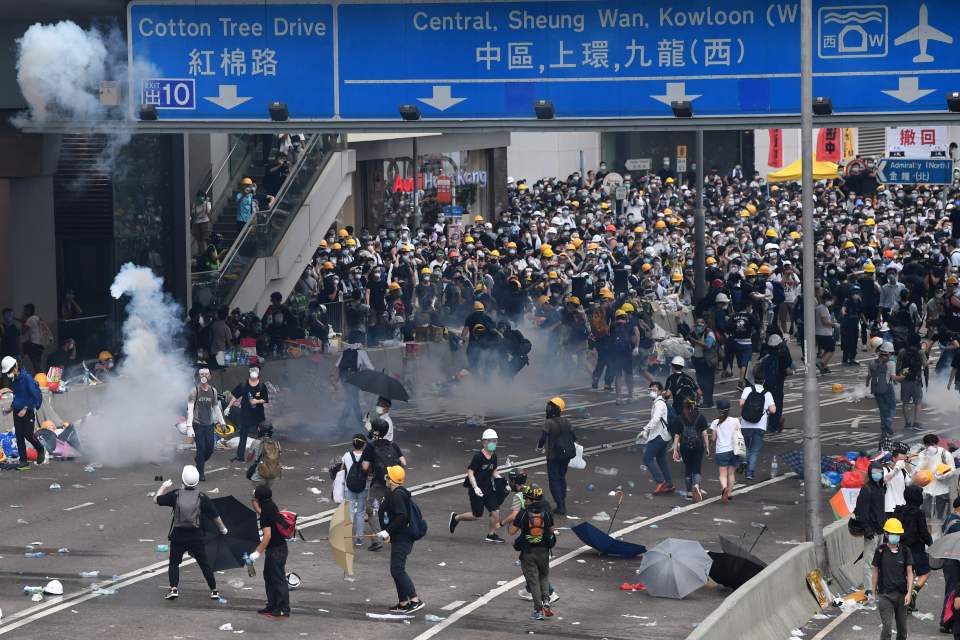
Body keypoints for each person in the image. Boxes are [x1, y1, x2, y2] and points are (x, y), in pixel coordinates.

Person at [154, 465, 226, 602]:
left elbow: (156, 500)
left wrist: (163, 486)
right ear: (197, 481)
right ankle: (214, 590)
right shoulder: (202, 497)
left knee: (174, 563)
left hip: (178, 535)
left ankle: (173, 588)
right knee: (204, 563)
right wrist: (223, 529)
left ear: (183, 479)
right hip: (196, 536)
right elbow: (215, 516)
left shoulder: (176, 494)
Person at [377, 465, 425, 613]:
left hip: (403, 538)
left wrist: (388, 531)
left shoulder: (398, 495)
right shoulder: (395, 492)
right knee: (396, 570)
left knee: (397, 570)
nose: (385, 477)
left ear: (391, 480)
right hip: (398, 537)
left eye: (388, 475)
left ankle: (415, 600)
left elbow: (402, 516)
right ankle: (403, 602)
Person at [509, 484, 556, 620]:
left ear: (528, 499)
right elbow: (552, 531)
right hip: (544, 550)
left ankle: (538, 610)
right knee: (544, 576)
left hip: (528, 552)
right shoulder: (546, 512)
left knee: (533, 581)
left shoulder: (523, 514)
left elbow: (511, 532)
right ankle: (546, 601)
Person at [449, 428, 504, 542]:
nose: (493, 443)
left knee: (495, 511)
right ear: (484, 442)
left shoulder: (494, 456)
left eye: (495, 441)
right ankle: (456, 518)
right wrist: (475, 487)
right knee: (477, 515)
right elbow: (470, 472)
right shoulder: (478, 457)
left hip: (488, 488)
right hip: (476, 489)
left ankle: (491, 534)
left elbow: (494, 471)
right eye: (490, 441)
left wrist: (502, 481)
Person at [361, 418, 405, 551]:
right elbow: (404, 462)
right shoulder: (393, 445)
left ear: (375, 431)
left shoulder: (371, 446)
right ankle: (394, 534)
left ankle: (377, 539)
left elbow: (365, 466)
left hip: (379, 484)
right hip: (394, 484)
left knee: (372, 509)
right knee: (393, 508)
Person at [246, 485, 290, 618]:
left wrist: (256, 554)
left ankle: (283, 608)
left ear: (260, 498)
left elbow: (267, 536)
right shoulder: (270, 505)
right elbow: (263, 512)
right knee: (269, 576)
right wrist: (254, 502)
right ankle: (272, 605)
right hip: (278, 548)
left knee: (277, 578)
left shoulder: (266, 512)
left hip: (276, 550)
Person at [871, 517, 913, 640]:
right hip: (885, 595)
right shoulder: (880, 551)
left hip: (901, 595)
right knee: (887, 629)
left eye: (897, 534)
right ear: (886, 534)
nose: (895, 536)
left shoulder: (905, 550)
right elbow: (875, 571)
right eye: (893, 534)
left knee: (902, 630)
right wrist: (873, 592)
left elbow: (910, 573)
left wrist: (909, 593)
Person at [1, 356, 45, 470]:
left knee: (28, 434)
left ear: (16, 366)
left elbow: (34, 395)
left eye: (10, 370)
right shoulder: (14, 380)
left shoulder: (27, 378)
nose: (9, 374)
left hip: (28, 411)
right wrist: (10, 409)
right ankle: (23, 461)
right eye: (7, 372)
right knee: (19, 436)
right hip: (17, 411)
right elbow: (17, 397)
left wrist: (26, 408)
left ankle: (40, 449)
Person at [894, 486, 932, 612]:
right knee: (925, 572)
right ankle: (914, 593)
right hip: (916, 549)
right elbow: (923, 532)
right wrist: (930, 542)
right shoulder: (919, 513)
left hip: (901, 549)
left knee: (906, 574)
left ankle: (906, 600)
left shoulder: (898, 510)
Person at [536, 397, 576, 515]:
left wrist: (539, 447)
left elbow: (543, 438)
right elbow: (574, 437)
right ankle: (561, 502)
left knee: (554, 480)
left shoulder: (548, 423)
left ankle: (560, 505)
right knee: (561, 478)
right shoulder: (567, 422)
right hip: (566, 456)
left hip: (553, 456)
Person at [855, 462, 887, 601]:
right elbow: (861, 513)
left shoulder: (880, 488)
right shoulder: (866, 489)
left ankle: (876, 586)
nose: (877, 474)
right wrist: (868, 530)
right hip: (872, 532)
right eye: (874, 472)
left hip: (881, 531)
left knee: (878, 562)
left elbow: (880, 510)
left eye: (879, 472)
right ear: (869, 472)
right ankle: (868, 590)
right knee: (868, 562)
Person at [186, 367, 224, 482]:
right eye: (201, 374)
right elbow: (190, 408)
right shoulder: (194, 391)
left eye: (206, 374)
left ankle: (199, 460)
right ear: (198, 377)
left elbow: (216, 407)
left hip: (209, 424)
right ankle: (200, 472)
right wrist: (189, 426)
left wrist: (222, 422)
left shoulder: (213, 391)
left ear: (210, 376)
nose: (204, 376)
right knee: (201, 448)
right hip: (198, 424)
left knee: (210, 449)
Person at [738, 368, 776, 481]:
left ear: (754, 379)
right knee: (754, 450)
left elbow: (741, 403)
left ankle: (744, 461)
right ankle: (749, 473)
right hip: (760, 426)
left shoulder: (748, 389)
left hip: (745, 424)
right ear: (764, 380)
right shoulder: (767, 393)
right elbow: (773, 410)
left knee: (744, 446)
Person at [669, 398, 710, 502]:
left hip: (684, 446)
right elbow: (705, 434)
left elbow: (677, 435)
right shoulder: (700, 417)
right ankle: (696, 485)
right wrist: (707, 447)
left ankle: (689, 493)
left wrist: (675, 450)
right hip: (697, 445)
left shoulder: (679, 418)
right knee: (696, 467)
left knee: (688, 468)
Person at [639, 381, 674, 495]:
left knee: (647, 458)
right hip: (664, 435)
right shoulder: (659, 402)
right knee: (661, 459)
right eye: (651, 390)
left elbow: (655, 419)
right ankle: (669, 483)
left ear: (660, 392)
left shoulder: (659, 404)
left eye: (655, 390)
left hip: (658, 436)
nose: (652, 392)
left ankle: (660, 482)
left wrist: (646, 429)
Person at [333, 335, 374, 433]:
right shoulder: (361, 352)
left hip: (344, 379)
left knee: (351, 400)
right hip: (353, 378)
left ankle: (342, 424)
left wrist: (336, 380)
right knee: (353, 401)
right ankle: (352, 424)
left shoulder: (346, 351)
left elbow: (337, 365)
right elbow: (369, 366)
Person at [229, 366, 269, 463]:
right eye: (252, 371)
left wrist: (257, 401)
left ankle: (263, 456)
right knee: (243, 436)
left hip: (258, 415)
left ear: (258, 373)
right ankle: (240, 456)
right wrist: (228, 406)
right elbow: (234, 396)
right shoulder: (243, 384)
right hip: (245, 415)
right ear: (249, 372)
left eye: (256, 371)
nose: (254, 373)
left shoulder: (262, 386)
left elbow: (265, 400)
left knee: (261, 436)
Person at [916, 433, 955, 522]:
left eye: (932, 445)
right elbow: (918, 469)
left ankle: (942, 534)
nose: (930, 448)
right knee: (926, 518)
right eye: (928, 445)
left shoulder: (945, 454)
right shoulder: (922, 454)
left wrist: (943, 476)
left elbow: (952, 470)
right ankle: (929, 534)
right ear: (925, 445)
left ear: (936, 444)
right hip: (926, 491)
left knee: (943, 518)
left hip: (942, 490)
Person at [710, 399, 741, 504]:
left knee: (722, 474)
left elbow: (713, 438)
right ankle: (730, 493)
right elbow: (739, 434)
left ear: (718, 410)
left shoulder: (715, 422)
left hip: (721, 451)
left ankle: (724, 488)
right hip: (734, 450)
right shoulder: (735, 421)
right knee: (731, 473)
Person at [342, 433, 369, 547]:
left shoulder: (347, 455)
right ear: (363, 445)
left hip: (349, 487)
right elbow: (368, 470)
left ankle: (348, 537)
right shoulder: (367, 455)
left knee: (350, 512)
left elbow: (342, 469)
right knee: (361, 513)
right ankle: (359, 539)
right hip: (363, 487)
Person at [894, 336, 926, 432]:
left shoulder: (902, 351)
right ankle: (916, 422)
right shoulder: (920, 352)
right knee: (918, 401)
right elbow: (924, 364)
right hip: (916, 379)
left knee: (905, 402)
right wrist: (928, 362)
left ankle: (907, 423)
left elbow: (898, 365)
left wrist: (898, 377)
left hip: (905, 378)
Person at [867, 343, 898, 441]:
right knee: (892, 407)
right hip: (887, 388)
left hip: (876, 389)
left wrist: (867, 383)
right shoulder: (891, 363)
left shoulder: (872, 362)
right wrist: (901, 378)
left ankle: (883, 432)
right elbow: (893, 377)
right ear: (889, 353)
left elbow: (869, 376)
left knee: (882, 410)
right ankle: (888, 424)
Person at [688, 317, 719, 407]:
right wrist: (691, 338)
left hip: (707, 362)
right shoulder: (697, 333)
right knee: (701, 382)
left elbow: (707, 345)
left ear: (705, 325)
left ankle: (708, 402)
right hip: (698, 361)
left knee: (708, 382)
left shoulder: (709, 334)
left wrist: (694, 340)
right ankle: (706, 400)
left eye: (700, 325)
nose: (698, 327)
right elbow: (694, 345)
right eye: (696, 325)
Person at [19, 303, 50, 374]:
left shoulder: (29, 320)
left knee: (21, 349)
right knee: (36, 366)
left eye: (25, 310)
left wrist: (23, 321)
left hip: (34, 345)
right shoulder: (37, 318)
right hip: (41, 345)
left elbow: (23, 332)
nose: (23, 312)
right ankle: (43, 378)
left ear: (28, 311)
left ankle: (19, 365)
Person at [883, 443, 910, 517]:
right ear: (894, 459)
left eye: (904, 460)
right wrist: (896, 469)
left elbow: (908, 483)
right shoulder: (885, 469)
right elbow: (884, 480)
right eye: (900, 460)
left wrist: (917, 474)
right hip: (890, 507)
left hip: (902, 505)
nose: (902, 462)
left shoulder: (903, 470)